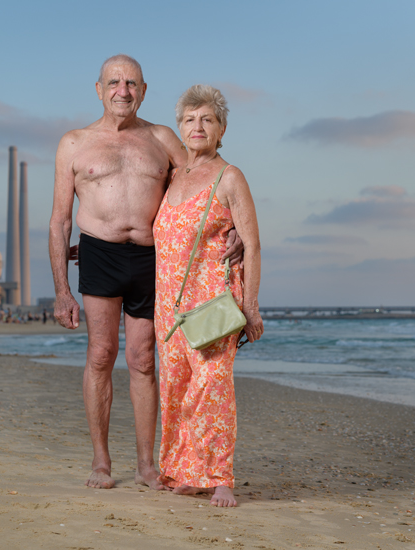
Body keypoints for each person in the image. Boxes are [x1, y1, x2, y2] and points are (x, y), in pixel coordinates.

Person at [49, 55, 243, 491]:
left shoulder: (162, 138)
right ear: (98, 89)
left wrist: (235, 226)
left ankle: (145, 465)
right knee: (101, 355)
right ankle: (101, 461)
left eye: (132, 83)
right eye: (114, 82)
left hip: (152, 257)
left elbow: (204, 177)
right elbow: (59, 220)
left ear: (144, 90)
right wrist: (62, 290)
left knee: (142, 360)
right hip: (99, 253)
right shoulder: (74, 143)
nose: (123, 91)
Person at [154, 85, 263, 507]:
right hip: (169, 307)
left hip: (213, 303)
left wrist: (251, 307)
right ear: (180, 128)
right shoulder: (172, 177)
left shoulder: (229, 177)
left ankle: (220, 478)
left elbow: (252, 245)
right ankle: (185, 471)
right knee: (176, 390)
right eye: (189, 120)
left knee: (212, 390)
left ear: (221, 129)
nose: (197, 127)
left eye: (207, 120)